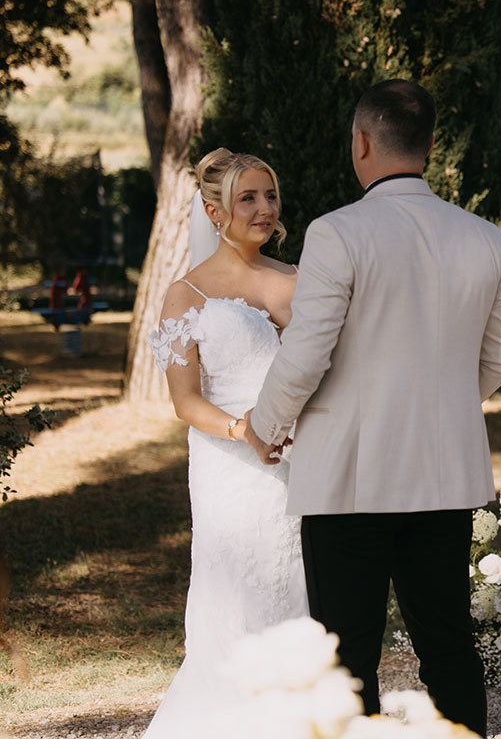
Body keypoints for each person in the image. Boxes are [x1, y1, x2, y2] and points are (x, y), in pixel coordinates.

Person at [242, 79, 501, 736]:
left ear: (362, 143)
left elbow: (306, 354)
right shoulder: (484, 237)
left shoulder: (337, 233)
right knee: (449, 644)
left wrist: (264, 425)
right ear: (428, 146)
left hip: (349, 479)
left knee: (345, 658)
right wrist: (442, 402)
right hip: (444, 474)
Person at [144, 149, 307, 737]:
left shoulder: (297, 278)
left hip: (302, 463)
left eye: (269, 195)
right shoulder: (185, 295)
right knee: (238, 597)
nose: (265, 208)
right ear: (214, 211)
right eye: (248, 198)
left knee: (302, 592)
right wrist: (245, 430)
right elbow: (185, 401)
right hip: (231, 467)